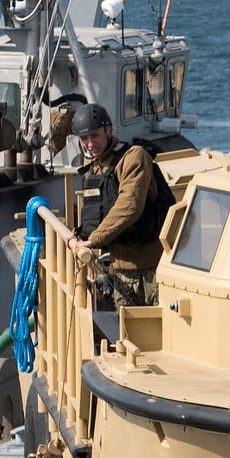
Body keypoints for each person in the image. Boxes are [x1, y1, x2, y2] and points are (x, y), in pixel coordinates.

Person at [70, 103, 171, 307]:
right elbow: (97, 212)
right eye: (84, 138)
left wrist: (94, 240)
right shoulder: (95, 170)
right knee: (128, 332)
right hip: (120, 269)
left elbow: (129, 205)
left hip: (152, 268)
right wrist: (78, 235)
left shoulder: (134, 157)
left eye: (95, 135)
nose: (90, 144)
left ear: (109, 130)